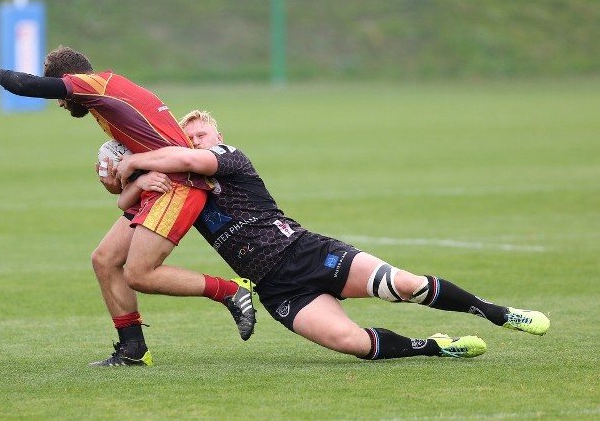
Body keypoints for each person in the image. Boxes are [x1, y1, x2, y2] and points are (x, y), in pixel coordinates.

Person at [110, 110, 549, 361]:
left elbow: (190, 159)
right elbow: (122, 205)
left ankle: (497, 313)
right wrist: (136, 182)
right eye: (187, 139)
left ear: (217, 137)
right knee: (351, 343)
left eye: (201, 135)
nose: (194, 142)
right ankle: (435, 348)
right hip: (277, 287)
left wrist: (134, 163)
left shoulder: (227, 157)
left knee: (403, 286)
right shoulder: (179, 190)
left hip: (306, 251)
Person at [0, 49, 255, 366]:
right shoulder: (106, 96)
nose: (61, 102)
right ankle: (133, 349)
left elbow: (32, 87)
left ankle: (231, 290)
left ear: (70, 81)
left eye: (63, 94)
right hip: (159, 182)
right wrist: (129, 177)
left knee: (139, 274)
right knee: (104, 260)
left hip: (180, 185)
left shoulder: (97, 85)